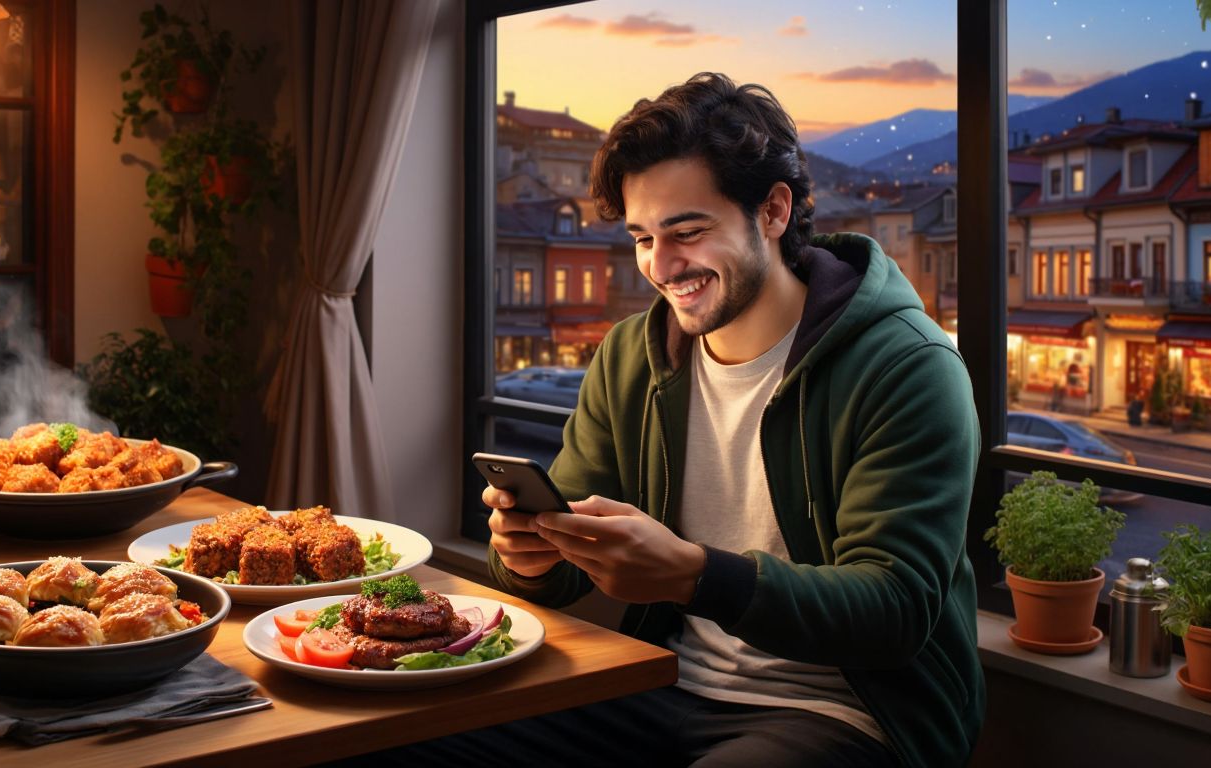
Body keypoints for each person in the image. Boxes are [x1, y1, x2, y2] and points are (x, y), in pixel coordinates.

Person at [355, 72, 984, 768]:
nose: (661, 265)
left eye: (687, 231)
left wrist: (693, 575)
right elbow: (560, 571)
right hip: (658, 678)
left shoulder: (907, 366)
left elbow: (894, 610)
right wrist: (528, 554)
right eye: (642, 237)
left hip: (850, 714)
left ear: (773, 211)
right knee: (397, 735)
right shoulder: (634, 354)